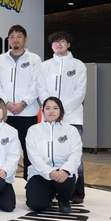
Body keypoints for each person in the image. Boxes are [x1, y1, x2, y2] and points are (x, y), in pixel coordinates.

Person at [38, 31, 87, 204]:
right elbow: (41, 90)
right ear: (51, 46)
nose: (58, 44)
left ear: (68, 44)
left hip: (72, 118)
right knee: (49, 153)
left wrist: (61, 109)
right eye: (55, 42)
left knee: (75, 156)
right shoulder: (45, 66)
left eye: (62, 41)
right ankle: (52, 190)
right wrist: (51, 110)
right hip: (49, 119)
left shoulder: (78, 66)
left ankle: (77, 192)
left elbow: (80, 92)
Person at [0, 25, 41, 180]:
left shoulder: (34, 59)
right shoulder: (0, 60)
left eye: (19, 36)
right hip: (5, 113)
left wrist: (23, 103)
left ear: (25, 39)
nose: (15, 39)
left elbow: (36, 83)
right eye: (12, 37)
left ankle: (31, 182)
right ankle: (3, 181)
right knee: (4, 149)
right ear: (8, 40)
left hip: (27, 113)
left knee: (29, 150)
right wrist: (6, 103)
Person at [25, 97, 82, 214]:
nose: (51, 111)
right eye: (48, 108)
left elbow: (76, 154)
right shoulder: (33, 130)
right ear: (42, 111)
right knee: (36, 205)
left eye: (55, 108)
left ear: (61, 111)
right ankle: (48, 195)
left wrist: (65, 171)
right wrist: (49, 172)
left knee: (66, 182)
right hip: (40, 173)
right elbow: (33, 157)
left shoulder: (71, 131)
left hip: (63, 173)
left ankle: (63, 200)